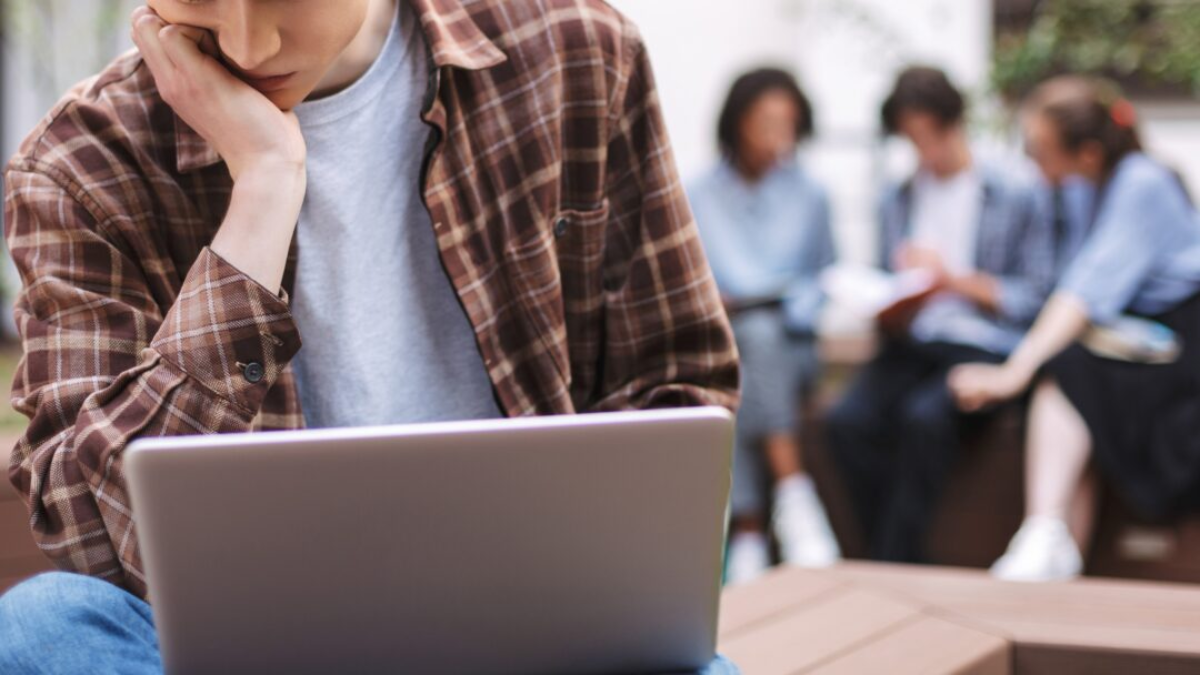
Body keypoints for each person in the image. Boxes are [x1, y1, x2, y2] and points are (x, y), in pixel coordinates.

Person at [0, 1, 741, 672]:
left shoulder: (576, 54)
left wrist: (582, 590)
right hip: (258, 651)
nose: (248, 44)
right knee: (40, 628)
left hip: (542, 635)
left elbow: (676, 385)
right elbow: (90, 532)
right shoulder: (80, 163)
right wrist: (262, 188)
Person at [951, 76, 1200, 582]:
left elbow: (1081, 295)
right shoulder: (1085, 187)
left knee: (1066, 372)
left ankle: (1044, 533)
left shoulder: (1141, 182)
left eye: (1039, 149)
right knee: (1077, 383)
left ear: (1086, 153)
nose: (1032, 161)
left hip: (1179, 344)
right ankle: (1053, 550)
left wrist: (1012, 373)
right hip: (1132, 341)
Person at [825, 66, 1055, 564]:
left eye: (932, 136)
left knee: (923, 420)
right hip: (913, 341)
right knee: (845, 421)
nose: (925, 151)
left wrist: (951, 279)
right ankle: (890, 554)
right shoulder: (898, 196)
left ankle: (893, 563)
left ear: (956, 123)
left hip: (982, 344)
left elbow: (1035, 296)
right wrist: (888, 302)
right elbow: (887, 282)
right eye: (912, 140)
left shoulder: (1014, 192)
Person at [688, 68, 839, 583]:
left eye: (790, 124)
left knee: (761, 336)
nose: (780, 136)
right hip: (726, 342)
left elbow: (822, 279)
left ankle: (750, 529)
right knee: (747, 343)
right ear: (738, 122)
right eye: (768, 122)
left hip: (792, 346)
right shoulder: (699, 193)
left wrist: (787, 302)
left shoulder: (811, 194)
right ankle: (794, 496)